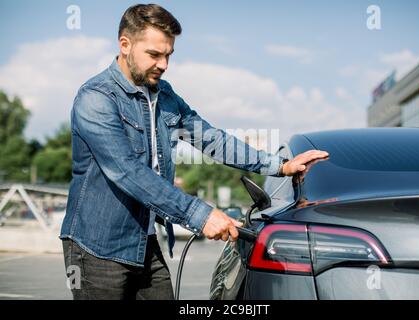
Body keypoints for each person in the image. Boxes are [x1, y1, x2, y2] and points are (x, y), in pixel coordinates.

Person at [60, 3, 329, 300]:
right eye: (154, 54)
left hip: (144, 242)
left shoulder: (165, 95)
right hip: (97, 247)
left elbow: (212, 139)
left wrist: (280, 166)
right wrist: (200, 215)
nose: (163, 65)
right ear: (125, 45)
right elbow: (128, 172)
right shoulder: (96, 98)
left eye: (168, 55)